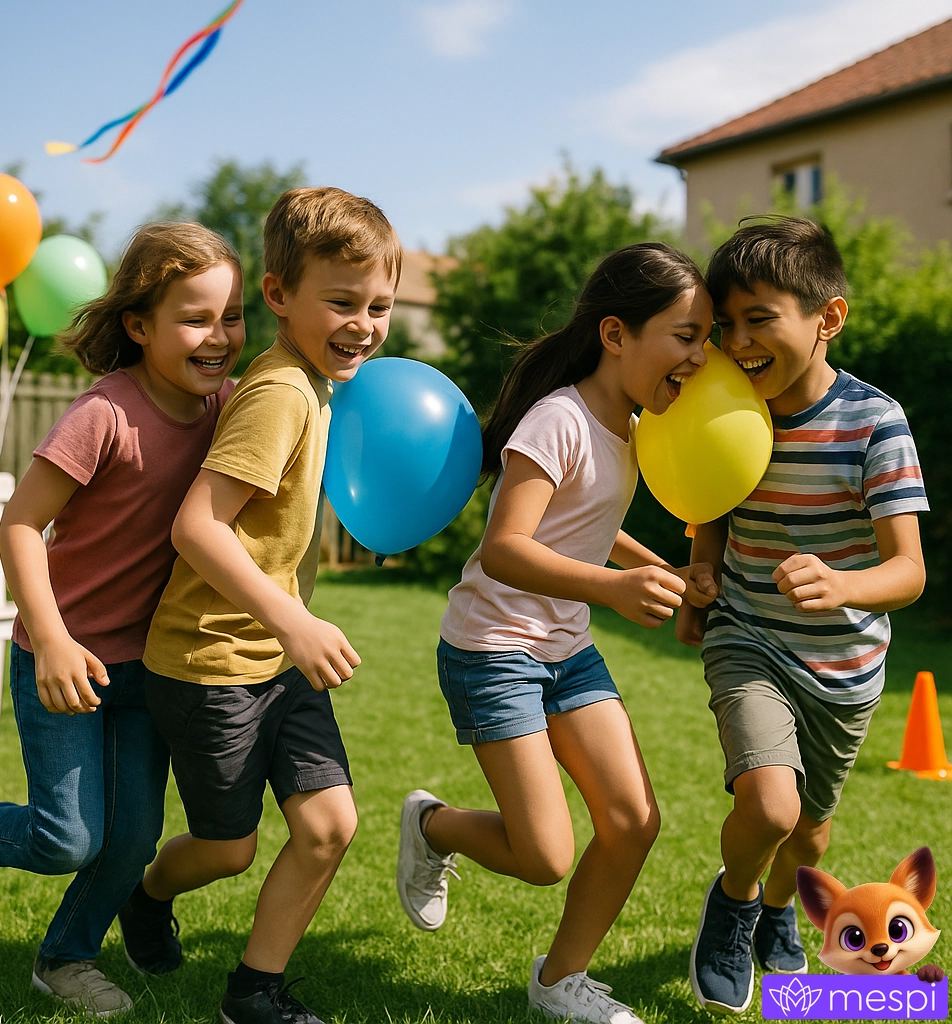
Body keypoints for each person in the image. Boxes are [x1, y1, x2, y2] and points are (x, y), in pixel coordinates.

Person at [396, 243, 719, 1024]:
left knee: (634, 821)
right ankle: (431, 825)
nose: (702, 356)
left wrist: (669, 574)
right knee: (545, 857)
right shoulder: (559, 419)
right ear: (616, 335)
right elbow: (507, 546)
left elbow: (590, 527)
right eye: (686, 335)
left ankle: (558, 981)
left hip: (564, 650)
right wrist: (613, 590)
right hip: (493, 650)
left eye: (705, 337)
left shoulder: (634, 426)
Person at [0, 223, 245, 1016]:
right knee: (67, 838)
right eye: (196, 317)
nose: (220, 337)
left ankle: (64, 959)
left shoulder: (233, 410)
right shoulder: (105, 412)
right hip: (60, 653)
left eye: (233, 316)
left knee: (132, 842)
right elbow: (20, 524)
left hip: (153, 667)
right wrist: (54, 640)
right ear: (138, 325)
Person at [124, 187, 401, 1024]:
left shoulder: (316, 385)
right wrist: (295, 619)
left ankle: (254, 993)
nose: (364, 323)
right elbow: (196, 529)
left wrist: (288, 632)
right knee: (228, 848)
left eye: (379, 305)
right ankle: (144, 895)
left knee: (327, 825)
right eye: (342, 302)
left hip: (277, 660)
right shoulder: (280, 392)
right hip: (210, 661)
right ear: (278, 295)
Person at [677, 217, 928, 1016]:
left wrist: (843, 584)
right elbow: (709, 496)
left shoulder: (874, 423)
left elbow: (909, 570)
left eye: (760, 320)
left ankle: (780, 913)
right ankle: (734, 907)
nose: (739, 342)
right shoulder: (723, 408)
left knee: (809, 836)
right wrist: (705, 573)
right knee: (771, 808)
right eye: (727, 325)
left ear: (828, 318)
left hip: (844, 669)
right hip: (749, 637)